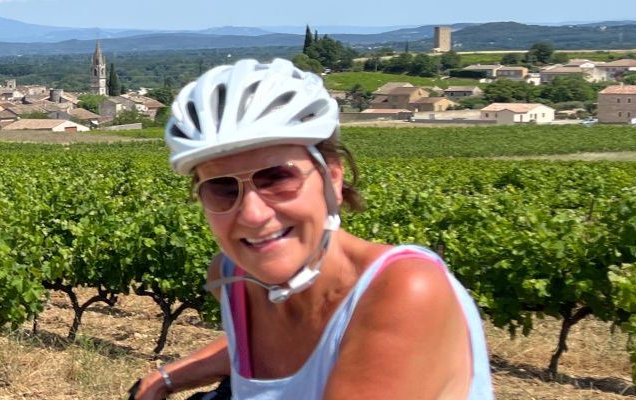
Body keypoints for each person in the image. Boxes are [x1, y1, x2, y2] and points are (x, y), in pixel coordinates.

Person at [131, 59, 494, 400]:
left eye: (277, 177)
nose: (253, 214)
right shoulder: (234, 279)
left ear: (331, 178)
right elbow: (261, 348)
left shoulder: (406, 290)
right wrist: (166, 378)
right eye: (223, 188)